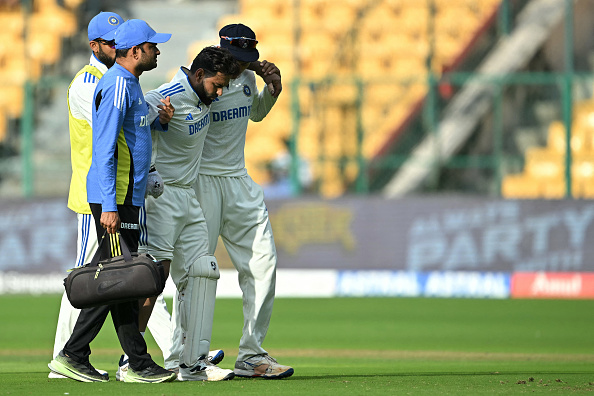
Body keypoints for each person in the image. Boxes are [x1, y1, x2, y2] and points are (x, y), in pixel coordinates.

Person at [48, 11, 177, 381]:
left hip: (127, 197)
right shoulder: (117, 85)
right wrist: (108, 206)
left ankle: (94, 357)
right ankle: (119, 360)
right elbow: (103, 150)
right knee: (119, 279)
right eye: (153, 46)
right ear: (135, 51)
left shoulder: (127, 83)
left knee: (122, 279)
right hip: (115, 200)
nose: (157, 52)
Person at [193, 23, 293, 379]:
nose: (242, 65)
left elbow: (257, 112)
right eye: (237, 59)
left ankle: (251, 354)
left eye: (247, 58)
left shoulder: (249, 78)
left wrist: (273, 90)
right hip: (201, 182)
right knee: (197, 274)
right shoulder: (200, 81)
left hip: (238, 180)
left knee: (264, 264)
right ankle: (189, 356)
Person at [141, 46, 239, 381]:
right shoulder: (164, 97)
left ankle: (189, 362)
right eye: (217, 85)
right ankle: (133, 358)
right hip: (162, 197)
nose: (220, 91)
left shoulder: (203, 97)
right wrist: (156, 117)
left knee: (202, 272)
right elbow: (129, 120)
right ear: (199, 76)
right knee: (152, 279)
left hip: (189, 196)